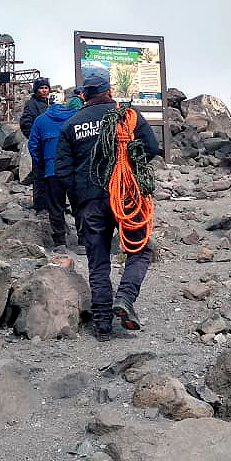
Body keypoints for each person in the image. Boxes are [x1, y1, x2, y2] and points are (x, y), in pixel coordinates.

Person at [55, 72, 160, 341]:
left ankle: (102, 325)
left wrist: (79, 199)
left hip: (90, 202)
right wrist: (131, 167)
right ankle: (124, 298)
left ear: (84, 95)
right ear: (109, 91)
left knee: (97, 260)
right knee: (140, 249)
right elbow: (151, 146)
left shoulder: (72, 125)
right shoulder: (128, 115)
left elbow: (63, 170)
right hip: (125, 195)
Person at [27, 99, 81, 252]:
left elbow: (32, 145)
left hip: (52, 170)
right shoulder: (77, 118)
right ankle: (83, 242)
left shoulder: (41, 120)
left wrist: (42, 164)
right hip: (74, 170)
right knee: (79, 206)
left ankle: (60, 243)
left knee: (55, 207)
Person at [19, 77, 51, 215]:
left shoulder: (50, 103)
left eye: (46, 88)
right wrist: (35, 139)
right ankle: (40, 206)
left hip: (50, 145)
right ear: (36, 90)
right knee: (39, 175)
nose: (44, 91)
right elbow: (26, 123)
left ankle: (51, 203)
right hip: (40, 145)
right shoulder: (31, 104)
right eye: (41, 88)